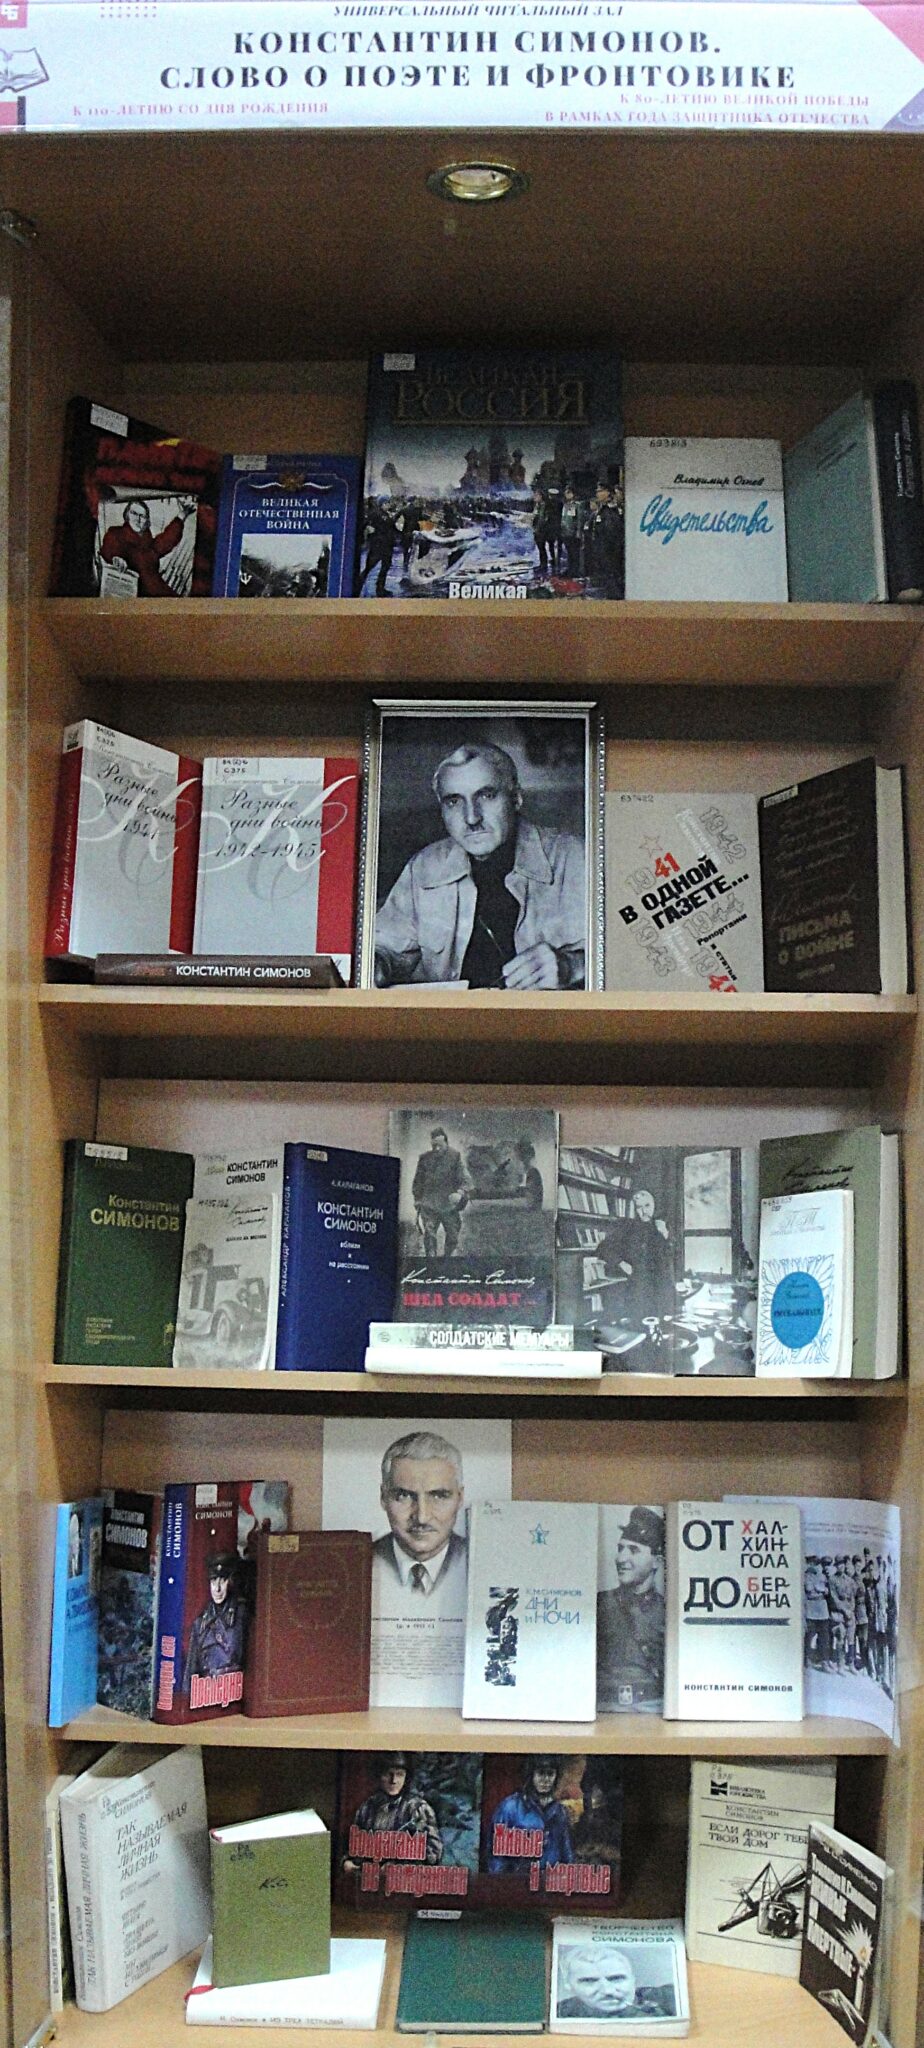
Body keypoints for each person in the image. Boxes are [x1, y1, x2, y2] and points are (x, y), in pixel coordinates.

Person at [374, 740, 586, 989]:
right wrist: (376, 965)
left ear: (516, 799)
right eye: (454, 801)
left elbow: (624, 953)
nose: (472, 818)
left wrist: (573, 966)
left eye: (486, 796)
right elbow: (385, 948)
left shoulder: (576, 858)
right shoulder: (424, 867)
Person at [372, 1429, 466, 1602]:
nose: (422, 1517)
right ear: (383, 1498)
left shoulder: (480, 1561)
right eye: (404, 1496)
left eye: (438, 1496)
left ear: (459, 1499)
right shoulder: (360, 1562)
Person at [596, 1506, 666, 1711]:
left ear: (657, 1561)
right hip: (602, 1707)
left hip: (652, 1707)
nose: (621, 1559)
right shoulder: (599, 1604)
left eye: (633, 1550)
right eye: (621, 1549)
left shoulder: (668, 1611)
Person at [343, 1752, 443, 1870]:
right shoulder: (367, 1808)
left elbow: (434, 1853)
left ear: (406, 1778)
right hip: (368, 1876)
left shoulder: (418, 1808)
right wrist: (347, 1862)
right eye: (388, 1774)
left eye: (399, 1774)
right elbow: (352, 1846)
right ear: (379, 1775)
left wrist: (399, 1865)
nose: (393, 1780)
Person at [598, 1189, 677, 1332]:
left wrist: (665, 1235)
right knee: (640, 1329)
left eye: (647, 1206)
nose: (644, 1211)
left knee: (664, 1330)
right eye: (639, 1207)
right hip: (639, 1288)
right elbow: (603, 1247)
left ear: (654, 1205)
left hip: (662, 1288)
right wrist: (621, 1263)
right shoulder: (628, 1228)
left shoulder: (665, 1226)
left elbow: (673, 1256)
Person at [487, 1756, 574, 1875]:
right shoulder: (510, 1807)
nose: (546, 1780)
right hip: (520, 1881)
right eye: (541, 1773)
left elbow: (566, 1852)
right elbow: (496, 1856)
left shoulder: (559, 1811)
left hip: (552, 1880)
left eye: (550, 1774)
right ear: (531, 1775)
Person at [99, 493, 197, 596]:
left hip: (156, 594)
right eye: (134, 513)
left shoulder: (149, 544)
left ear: (147, 521)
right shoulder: (116, 533)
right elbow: (109, 547)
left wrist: (182, 515)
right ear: (127, 515)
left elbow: (167, 539)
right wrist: (116, 558)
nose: (138, 519)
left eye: (142, 516)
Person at [555, 1943, 676, 2021]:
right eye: (589, 1981)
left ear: (633, 1979)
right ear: (568, 1985)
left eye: (617, 1979)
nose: (607, 1991)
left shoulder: (670, 1999)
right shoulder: (561, 2012)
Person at [182, 1551, 247, 1690]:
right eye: (213, 1581)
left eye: (222, 1581)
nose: (217, 1589)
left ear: (230, 1582)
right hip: (208, 1691)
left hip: (235, 1688)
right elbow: (191, 1671)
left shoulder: (242, 1614)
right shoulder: (200, 1623)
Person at [412, 1126, 469, 1258]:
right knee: (429, 1236)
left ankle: (447, 1259)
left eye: (440, 1146)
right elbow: (418, 1182)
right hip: (429, 1204)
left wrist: (460, 1192)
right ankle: (431, 1263)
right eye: (434, 1146)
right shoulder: (424, 1158)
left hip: (449, 1205)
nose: (437, 1149)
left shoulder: (455, 1156)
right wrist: (417, 1199)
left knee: (453, 1236)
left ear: (446, 1143)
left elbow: (465, 1179)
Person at [67, 1508, 82, 1579]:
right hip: (73, 1543)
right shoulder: (74, 1518)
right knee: (73, 1558)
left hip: (74, 1543)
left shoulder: (74, 1518)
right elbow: (73, 1533)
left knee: (74, 1558)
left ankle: (74, 1573)